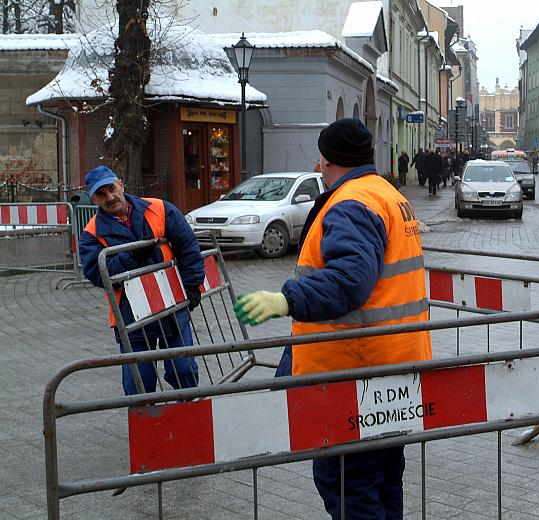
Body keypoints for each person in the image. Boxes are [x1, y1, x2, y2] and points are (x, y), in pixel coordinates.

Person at [233, 118, 431, 519]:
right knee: (383, 480)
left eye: (320, 159)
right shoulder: (386, 193)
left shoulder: (351, 204)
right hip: (397, 366)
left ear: (328, 161)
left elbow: (349, 281)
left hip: (354, 374)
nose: (318, 166)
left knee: (347, 484)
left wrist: (286, 300)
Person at [79, 166, 205, 395]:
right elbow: (97, 273)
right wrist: (131, 257)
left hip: (171, 308)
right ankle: (145, 426)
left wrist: (192, 286)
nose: (109, 197)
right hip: (132, 317)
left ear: (121, 184)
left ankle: (187, 419)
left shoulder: (159, 209)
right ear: (93, 198)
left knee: (184, 370)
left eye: (111, 189)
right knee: (139, 382)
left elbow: (188, 247)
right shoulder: (92, 233)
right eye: (102, 194)